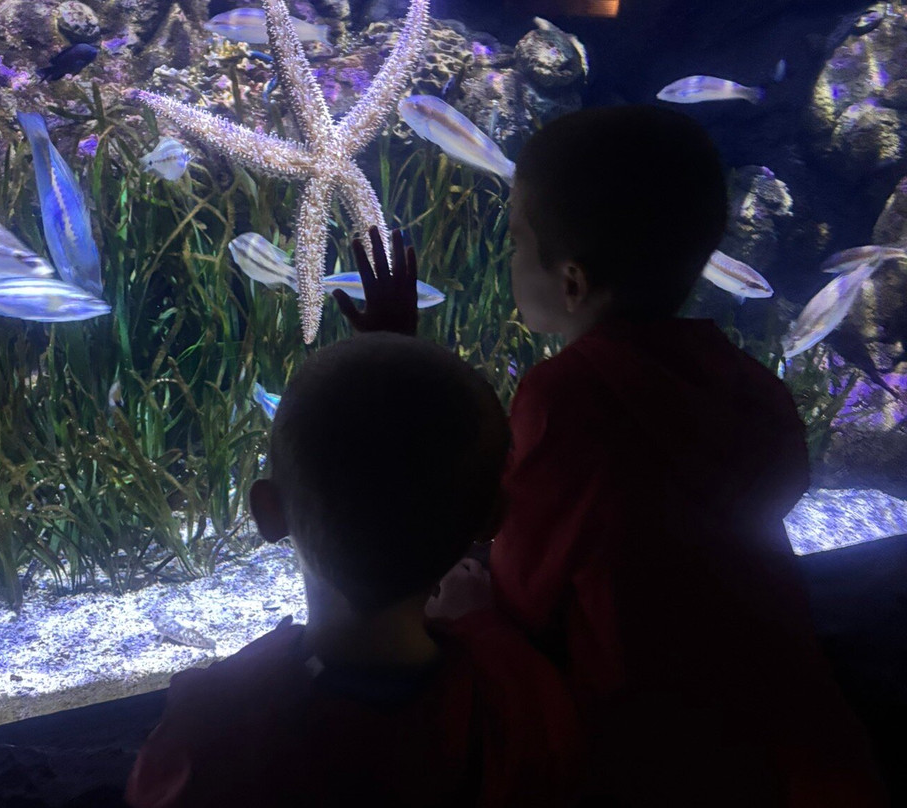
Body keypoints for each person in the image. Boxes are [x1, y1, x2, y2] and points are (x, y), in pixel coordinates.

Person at [335, 105, 886, 806]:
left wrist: (474, 610)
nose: (506, 258)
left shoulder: (566, 395)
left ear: (570, 283)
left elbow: (526, 595)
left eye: (513, 240)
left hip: (647, 755)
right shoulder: (751, 383)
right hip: (804, 747)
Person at [124, 332, 582, 808]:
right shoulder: (520, 697)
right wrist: (482, 623)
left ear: (268, 512)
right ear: (493, 517)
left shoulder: (209, 720)